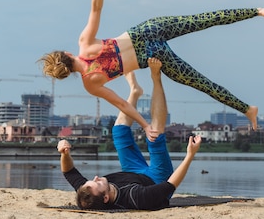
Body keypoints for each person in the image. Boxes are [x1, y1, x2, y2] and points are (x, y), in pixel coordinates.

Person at [40, 0, 264, 139]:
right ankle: (258, 11)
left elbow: (122, 104)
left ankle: (246, 109)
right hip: (146, 30)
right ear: (68, 54)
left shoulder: (91, 83)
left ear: (67, 73)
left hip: (153, 55)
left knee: (202, 83)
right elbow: (96, 8)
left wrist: (145, 125)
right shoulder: (85, 43)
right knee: (204, 20)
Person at [57, 58, 202, 210]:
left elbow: (69, 172)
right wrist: (190, 155)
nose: (96, 177)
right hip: (156, 179)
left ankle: (134, 91)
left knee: (118, 131)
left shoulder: (88, 192)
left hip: (131, 172)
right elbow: (170, 184)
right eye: (98, 183)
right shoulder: (136, 197)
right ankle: (156, 77)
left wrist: (64, 153)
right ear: (106, 197)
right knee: (154, 136)